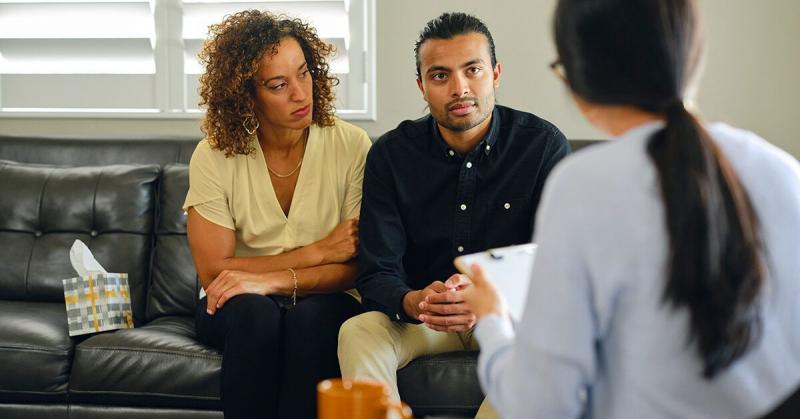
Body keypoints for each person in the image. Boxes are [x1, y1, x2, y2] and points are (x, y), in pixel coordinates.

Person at [460, 0, 800, 418]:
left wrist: (492, 320)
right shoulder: (783, 171)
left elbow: (543, 405)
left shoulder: (582, 186)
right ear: (689, 55)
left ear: (579, 76)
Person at [337, 12, 570, 418]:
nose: (460, 88)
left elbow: (557, 264)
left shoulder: (543, 147)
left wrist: (493, 300)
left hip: (511, 322)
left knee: (546, 355)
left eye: (473, 70)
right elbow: (377, 271)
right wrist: (413, 301)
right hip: (425, 319)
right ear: (422, 86)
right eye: (440, 75)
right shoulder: (391, 156)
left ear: (495, 74)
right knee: (358, 331)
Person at [182, 10, 371, 419]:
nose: (301, 95)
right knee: (254, 312)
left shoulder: (352, 145)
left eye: (304, 74)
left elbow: (356, 267)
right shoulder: (213, 155)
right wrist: (319, 250)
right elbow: (217, 274)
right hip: (237, 305)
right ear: (246, 95)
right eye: (278, 85)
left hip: (326, 297)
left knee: (313, 318)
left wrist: (270, 279)